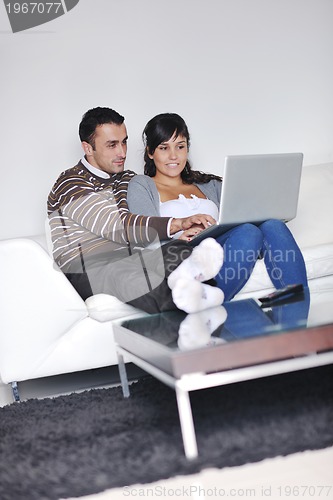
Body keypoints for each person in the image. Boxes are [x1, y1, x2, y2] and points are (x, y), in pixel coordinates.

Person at [47, 107, 225, 314]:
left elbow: (141, 217)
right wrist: (178, 222)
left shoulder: (126, 178)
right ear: (88, 148)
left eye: (124, 142)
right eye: (112, 145)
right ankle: (187, 309)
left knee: (181, 250)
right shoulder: (72, 182)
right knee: (130, 276)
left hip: (130, 258)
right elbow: (117, 227)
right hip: (87, 266)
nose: (122, 152)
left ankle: (206, 295)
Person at [127, 112, 308, 301]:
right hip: (183, 251)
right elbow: (143, 233)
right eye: (164, 148)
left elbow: (242, 213)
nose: (173, 155)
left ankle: (299, 308)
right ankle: (208, 303)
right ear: (150, 152)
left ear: (187, 149)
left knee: (273, 225)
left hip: (223, 245)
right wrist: (179, 236)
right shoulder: (142, 184)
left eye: (180, 146)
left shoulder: (210, 184)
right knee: (248, 232)